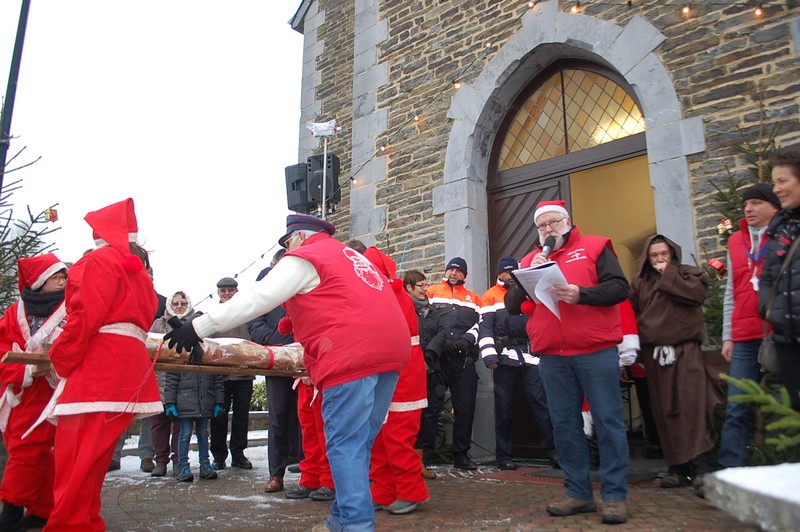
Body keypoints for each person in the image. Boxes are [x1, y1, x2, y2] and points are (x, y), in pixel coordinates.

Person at [165, 213, 410, 532]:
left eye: (288, 241)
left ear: (300, 237)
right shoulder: (349, 256)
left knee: (345, 445)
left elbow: (258, 298)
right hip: (392, 352)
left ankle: (356, 526)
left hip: (351, 353)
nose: (286, 248)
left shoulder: (306, 256)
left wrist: (198, 327)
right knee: (359, 443)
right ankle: (340, 519)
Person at [505, 200, 630, 525]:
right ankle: (578, 493)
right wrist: (526, 276)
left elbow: (620, 288)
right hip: (552, 355)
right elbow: (513, 306)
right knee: (564, 425)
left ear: (567, 222)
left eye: (553, 222)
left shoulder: (594, 247)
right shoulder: (531, 259)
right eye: (542, 225)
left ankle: (614, 496)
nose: (548, 229)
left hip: (595, 350)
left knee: (608, 422)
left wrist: (581, 294)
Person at [45, 198, 163, 531]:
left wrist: (60, 358)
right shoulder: (138, 274)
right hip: (128, 370)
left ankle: (69, 525)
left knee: (74, 462)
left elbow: (83, 317)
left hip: (98, 370)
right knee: (93, 463)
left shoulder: (98, 261)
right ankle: (85, 522)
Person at [630, 234, 715, 489]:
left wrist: (669, 275)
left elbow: (697, 295)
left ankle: (703, 468)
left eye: (664, 254)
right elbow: (633, 315)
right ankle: (678, 467)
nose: (659, 259)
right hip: (655, 355)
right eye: (654, 255)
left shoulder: (689, 275)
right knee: (664, 412)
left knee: (692, 406)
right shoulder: (640, 283)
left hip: (685, 351)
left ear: (672, 254)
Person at [0, 254, 68, 530]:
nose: (62, 282)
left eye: (63, 277)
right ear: (39, 282)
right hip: (20, 392)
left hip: (53, 389)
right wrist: (24, 371)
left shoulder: (71, 308)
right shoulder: (14, 313)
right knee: (31, 450)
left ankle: (11, 511)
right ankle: (43, 508)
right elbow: (2, 347)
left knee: (27, 449)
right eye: (56, 278)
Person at [363, 246, 429, 515]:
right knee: (380, 438)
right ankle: (384, 491)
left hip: (403, 375)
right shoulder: (381, 293)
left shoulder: (393, 295)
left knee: (398, 438)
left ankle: (411, 492)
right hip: (386, 373)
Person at [718, 184, 780, 468]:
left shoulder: (786, 235)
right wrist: (727, 336)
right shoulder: (735, 242)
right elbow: (731, 291)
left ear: (773, 207)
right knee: (737, 407)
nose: (748, 209)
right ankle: (731, 474)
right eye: (745, 204)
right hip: (744, 337)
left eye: (755, 203)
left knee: (789, 404)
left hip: (780, 332)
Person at [478, 255, 556, 470]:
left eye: (513, 271)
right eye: (506, 272)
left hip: (531, 355)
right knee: (504, 408)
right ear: (499, 273)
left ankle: (553, 451)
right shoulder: (490, 296)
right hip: (504, 357)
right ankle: (504, 455)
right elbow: (485, 328)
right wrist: (490, 356)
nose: (510, 275)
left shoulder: (528, 292)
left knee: (541, 403)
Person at [248, 249, 302, 493]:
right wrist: (271, 337)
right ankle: (276, 474)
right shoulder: (265, 283)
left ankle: (309, 471)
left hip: (304, 358)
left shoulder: (303, 281)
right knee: (278, 418)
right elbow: (254, 319)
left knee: (307, 417)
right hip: (277, 359)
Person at [425, 257, 482, 470]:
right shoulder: (432, 292)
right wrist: (442, 341)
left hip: (463, 359)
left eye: (458, 270)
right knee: (431, 408)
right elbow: (425, 320)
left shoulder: (474, 298)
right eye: (451, 269)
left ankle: (461, 455)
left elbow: (482, 324)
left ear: (464, 275)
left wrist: (467, 340)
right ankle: (425, 455)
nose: (454, 273)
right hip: (439, 360)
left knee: (465, 408)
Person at [761, 148, 800, 411]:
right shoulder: (781, 228)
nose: (776, 189)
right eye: (774, 182)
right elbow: (767, 278)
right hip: (787, 342)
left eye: (782, 181)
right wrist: (768, 309)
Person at [403, 269, 446, 479]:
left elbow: (442, 331)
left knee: (430, 414)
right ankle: (409, 462)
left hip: (431, 366)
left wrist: (430, 352)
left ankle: (422, 461)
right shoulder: (404, 308)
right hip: (411, 369)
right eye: (421, 285)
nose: (425, 289)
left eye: (426, 285)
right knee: (413, 416)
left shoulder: (432, 309)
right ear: (408, 287)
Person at [149, 291, 198, 477]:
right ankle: (161, 460)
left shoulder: (194, 323)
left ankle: (179, 459)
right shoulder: (158, 324)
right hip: (160, 379)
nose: (179, 306)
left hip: (184, 381)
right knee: (158, 423)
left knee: (181, 425)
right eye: (175, 303)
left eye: (183, 303)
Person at [210, 277, 255, 471]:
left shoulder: (248, 312)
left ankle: (238, 454)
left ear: (237, 291)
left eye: (230, 290)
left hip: (244, 373)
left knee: (241, 416)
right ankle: (218, 456)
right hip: (220, 375)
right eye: (223, 290)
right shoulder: (212, 314)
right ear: (218, 293)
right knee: (218, 417)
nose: (227, 293)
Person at [164, 367, 224, 482]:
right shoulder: (181, 358)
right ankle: (183, 466)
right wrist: (170, 402)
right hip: (185, 402)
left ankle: (205, 464)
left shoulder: (209, 358)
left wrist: (219, 402)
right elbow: (172, 379)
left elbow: (218, 380)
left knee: (203, 434)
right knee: (185, 434)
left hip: (204, 402)